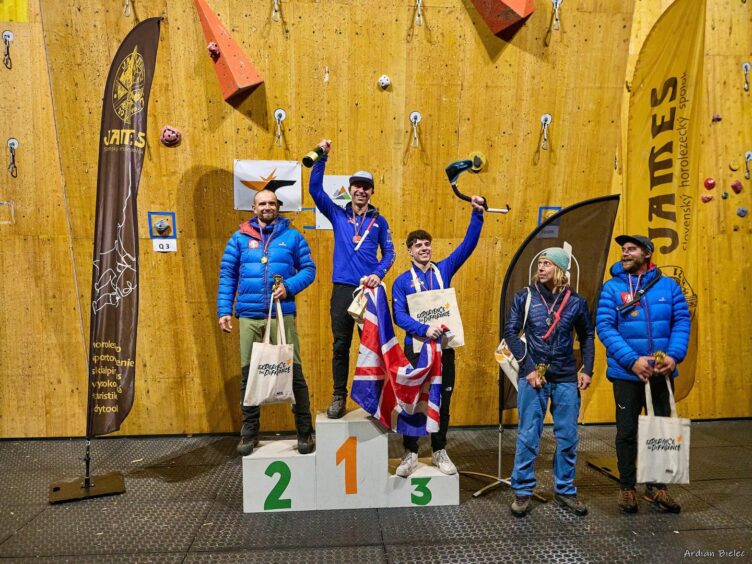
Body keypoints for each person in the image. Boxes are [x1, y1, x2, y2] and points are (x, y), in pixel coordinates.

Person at [390, 198, 485, 476]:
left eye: (427, 244)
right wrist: (423, 329)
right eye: (418, 245)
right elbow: (399, 316)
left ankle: (439, 450)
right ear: (409, 251)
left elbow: (468, 245)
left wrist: (477, 214)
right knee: (413, 401)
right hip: (416, 351)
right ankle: (410, 452)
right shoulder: (402, 282)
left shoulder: (443, 270)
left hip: (444, 350)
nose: (424, 248)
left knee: (443, 401)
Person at [596, 234, 690, 514]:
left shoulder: (669, 287)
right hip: (627, 375)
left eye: (631, 249)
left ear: (647, 253)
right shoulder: (612, 288)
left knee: (661, 431)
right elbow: (605, 326)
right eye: (623, 250)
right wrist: (631, 360)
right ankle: (628, 488)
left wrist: (673, 356)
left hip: (661, 374)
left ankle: (657, 488)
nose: (625, 253)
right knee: (626, 432)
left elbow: (682, 321)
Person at [218, 189, 316, 456]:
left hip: (282, 314)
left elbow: (309, 269)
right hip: (249, 316)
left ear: (278, 207)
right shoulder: (238, 239)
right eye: (262, 203)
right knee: (249, 375)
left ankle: (304, 431)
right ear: (253, 208)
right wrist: (224, 310)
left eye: (272, 203)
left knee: (293, 370)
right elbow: (228, 275)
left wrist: (289, 286)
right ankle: (249, 434)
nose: (267, 207)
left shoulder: (292, 237)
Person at [308, 139, 396, 419]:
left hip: (368, 292)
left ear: (371, 192)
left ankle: (374, 398)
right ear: (351, 189)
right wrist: (322, 157)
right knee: (340, 345)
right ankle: (338, 397)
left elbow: (390, 253)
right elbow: (314, 189)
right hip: (343, 290)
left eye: (366, 186)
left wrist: (377, 274)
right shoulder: (337, 213)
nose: (361, 190)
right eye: (356, 185)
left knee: (372, 346)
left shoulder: (379, 221)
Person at [504, 248, 594, 517]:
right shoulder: (526, 296)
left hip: (566, 375)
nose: (541, 268)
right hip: (534, 376)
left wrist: (587, 368)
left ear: (561, 270)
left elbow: (587, 335)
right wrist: (529, 368)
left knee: (568, 437)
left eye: (547, 264)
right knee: (528, 435)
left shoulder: (576, 302)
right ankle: (522, 491)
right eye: (540, 263)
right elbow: (510, 332)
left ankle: (565, 490)